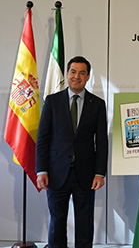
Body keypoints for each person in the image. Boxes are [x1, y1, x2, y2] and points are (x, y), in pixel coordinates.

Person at [36, 56, 108, 248]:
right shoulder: (52, 102)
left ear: (88, 77)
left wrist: (100, 173)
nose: (77, 76)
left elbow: (101, 142)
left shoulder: (98, 104)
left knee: (85, 223)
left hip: (85, 174)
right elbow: (43, 139)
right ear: (67, 74)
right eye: (73, 72)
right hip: (56, 173)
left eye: (82, 73)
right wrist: (41, 170)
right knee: (57, 222)